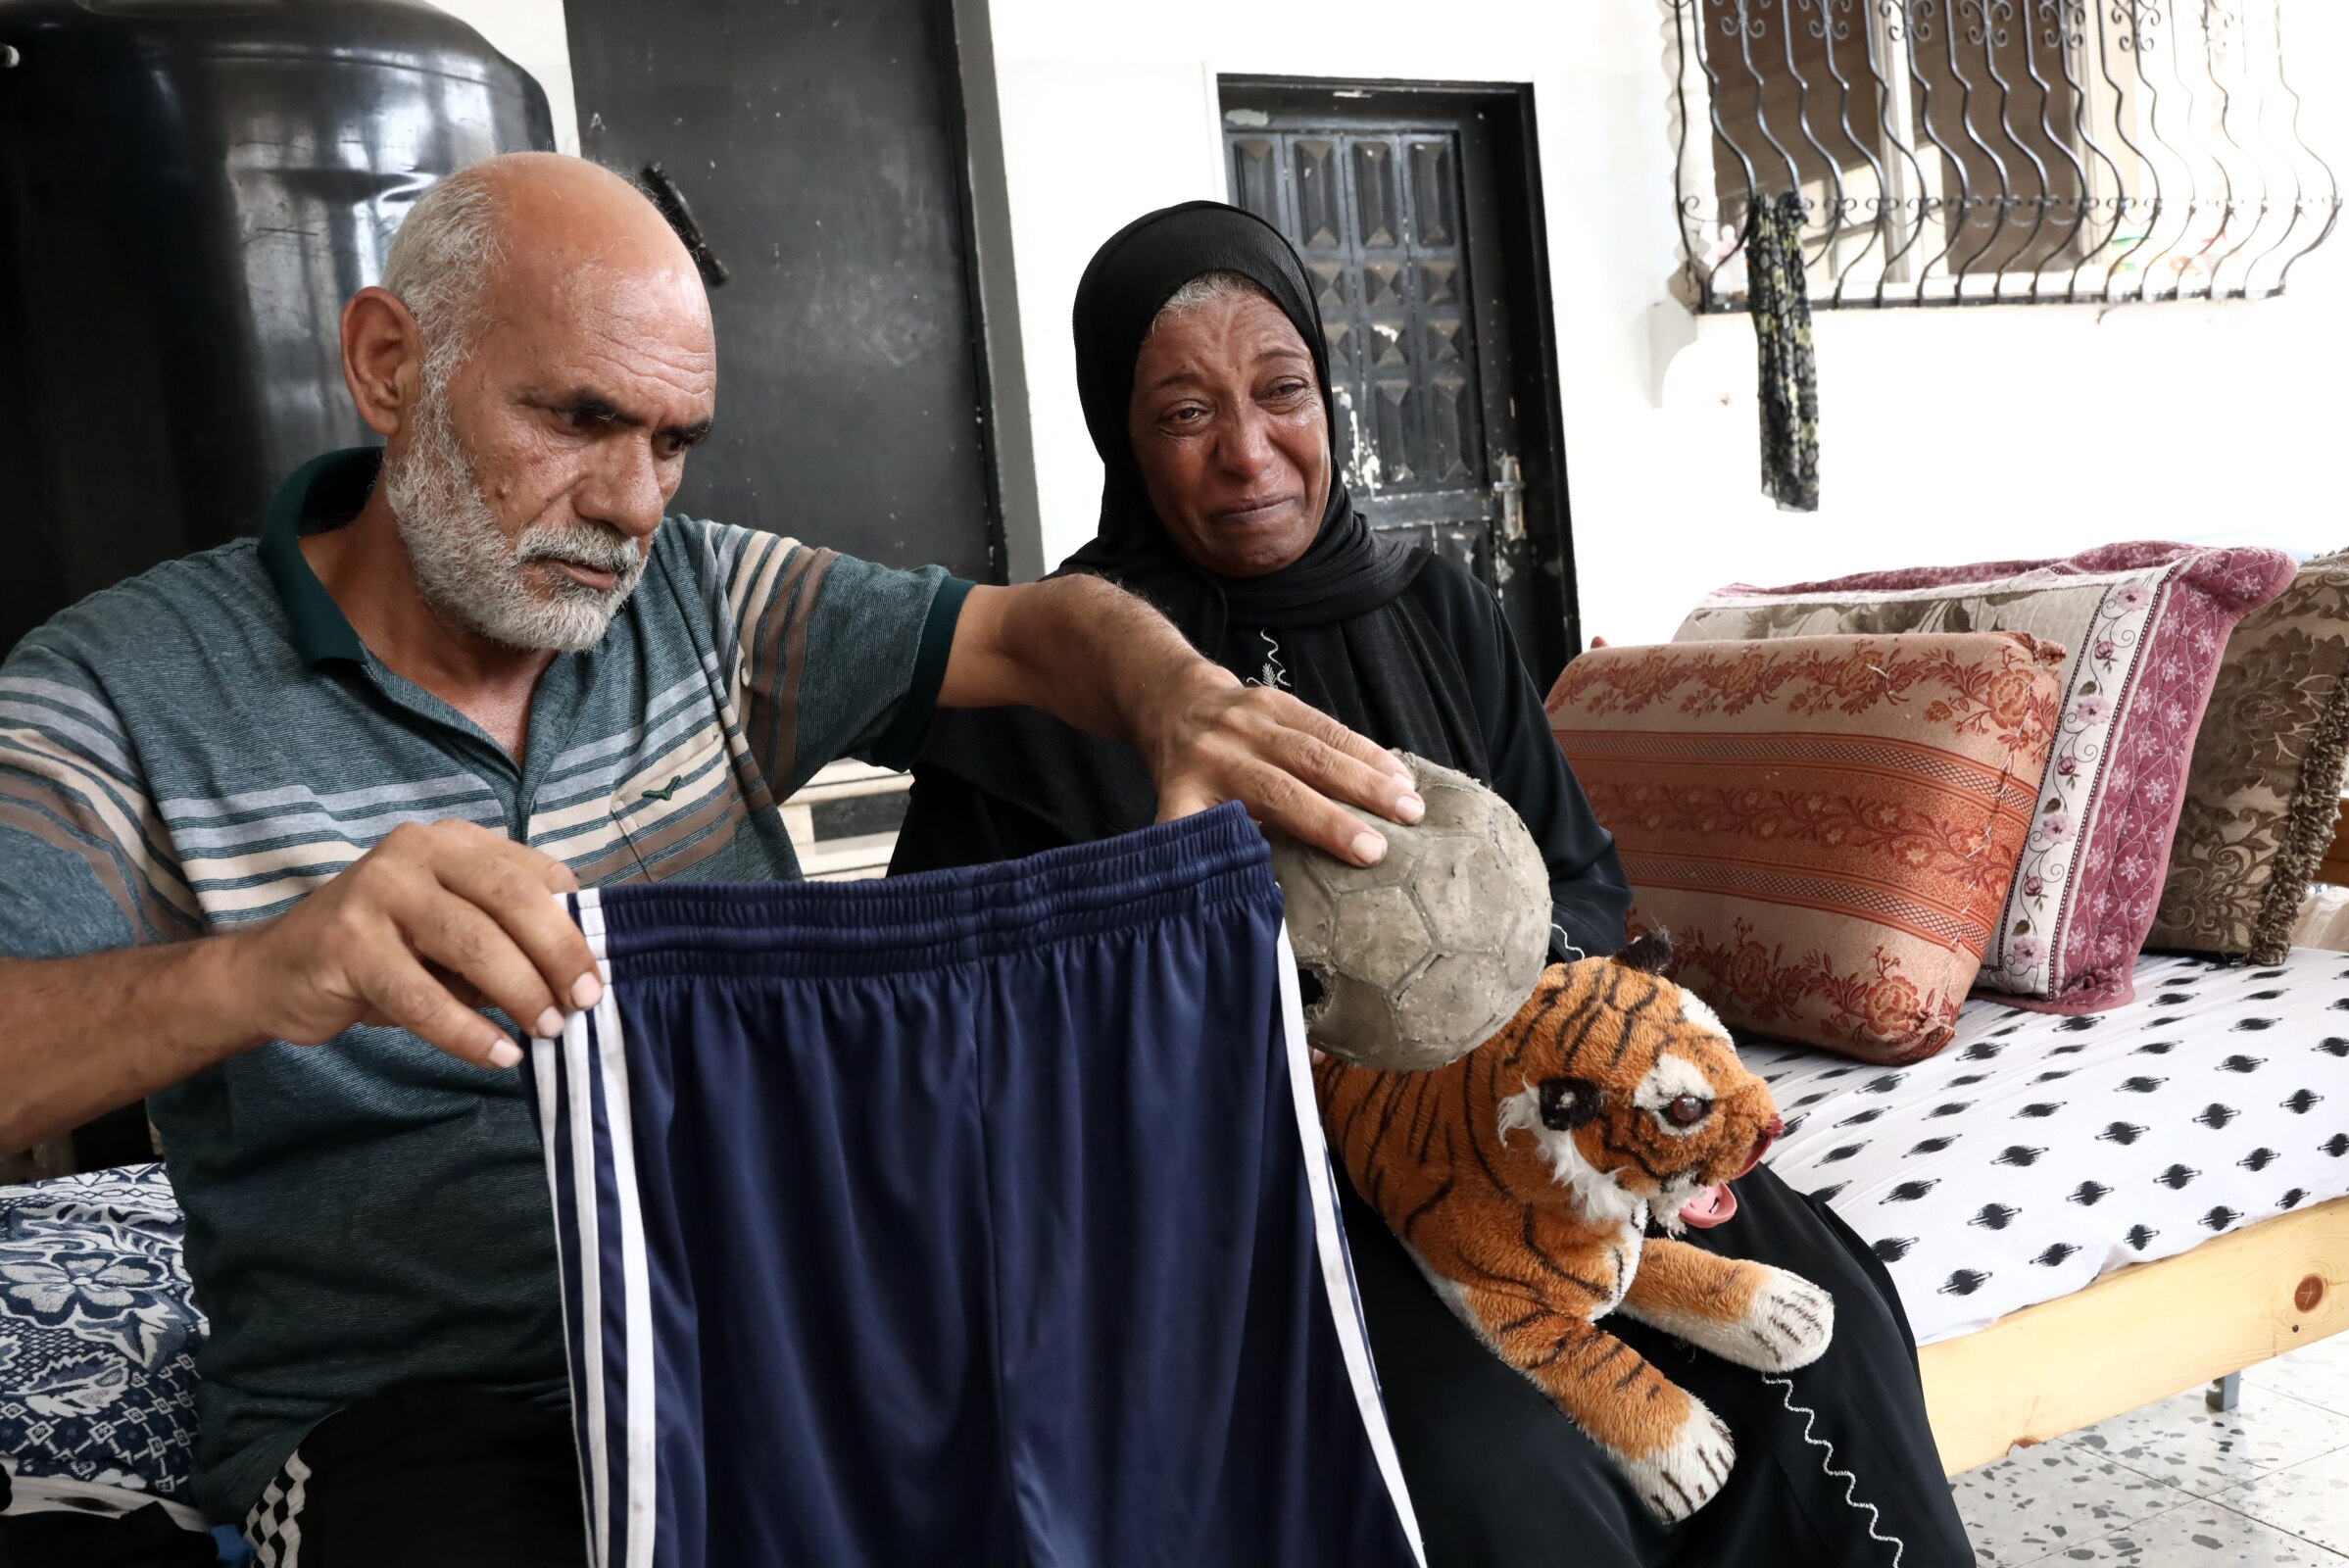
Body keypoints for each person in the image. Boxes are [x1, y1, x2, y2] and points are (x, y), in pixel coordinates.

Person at [0, 159, 1424, 1565]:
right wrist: (268, 971)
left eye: (675, 441)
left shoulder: (704, 604)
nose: (633, 502)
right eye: (579, 418)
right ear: (388, 366)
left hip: (790, 1348)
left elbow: (1029, 628)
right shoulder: (120, 691)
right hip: (438, 1417)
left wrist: (1178, 695)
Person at [892, 201, 1976, 1568]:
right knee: (1504, 1476)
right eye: (1182, 414)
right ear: (1120, 431)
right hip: (1272, 1198)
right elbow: (967, 1040)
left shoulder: (1432, 606)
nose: (1248, 452)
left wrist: (1494, 989)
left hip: (1537, 1128)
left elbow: (1580, 876)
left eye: (1282, 392)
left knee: (1821, 1327)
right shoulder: (1047, 684)